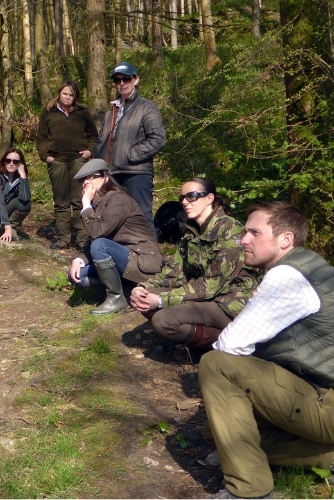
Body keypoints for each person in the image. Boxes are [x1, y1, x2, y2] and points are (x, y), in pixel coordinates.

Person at [200, 201, 334, 499]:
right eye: (245, 231)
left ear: (285, 239)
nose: (243, 239)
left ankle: (250, 490)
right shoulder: (309, 266)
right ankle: (330, 455)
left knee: (216, 365)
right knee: (216, 432)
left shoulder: (288, 277)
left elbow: (229, 346)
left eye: (254, 232)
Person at [129, 178, 259, 349]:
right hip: (206, 296)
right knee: (145, 298)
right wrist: (143, 287)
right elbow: (175, 272)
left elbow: (212, 285)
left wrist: (161, 300)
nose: (184, 202)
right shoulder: (191, 232)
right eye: (182, 198)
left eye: (192, 196)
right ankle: (194, 340)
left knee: (163, 320)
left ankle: (226, 343)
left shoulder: (230, 230)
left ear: (209, 198)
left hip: (230, 302)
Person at [68, 159, 162, 315]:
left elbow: (97, 233)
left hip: (140, 258)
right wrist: (78, 260)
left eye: (92, 177)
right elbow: (95, 237)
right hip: (121, 259)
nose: (86, 182)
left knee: (100, 245)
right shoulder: (99, 203)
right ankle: (127, 291)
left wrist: (85, 204)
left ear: (106, 178)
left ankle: (116, 298)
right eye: (83, 180)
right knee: (77, 275)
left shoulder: (118, 199)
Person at [92, 62, 166, 232]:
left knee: (142, 216)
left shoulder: (147, 107)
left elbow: (158, 138)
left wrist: (130, 155)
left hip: (136, 173)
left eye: (126, 78)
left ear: (136, 80)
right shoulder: (111, 111)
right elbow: (101, 140)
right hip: (111, 173)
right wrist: (98, 160)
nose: (122, 83)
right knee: (113, 216)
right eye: (118, 80)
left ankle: (153, 257)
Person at [37, 81, 98, 249]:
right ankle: (63, 238)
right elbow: (41, 137)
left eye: (71, 95)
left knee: (80, 200)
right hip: (57, 161)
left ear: (75, 97)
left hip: (78, 160)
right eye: (65, 94)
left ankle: (83, 239)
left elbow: (93, 135)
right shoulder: (49, 112)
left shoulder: (82, 112)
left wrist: (89, 151)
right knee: (61, 200)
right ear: (59, 94)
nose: (68, 97)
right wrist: (45, 156)